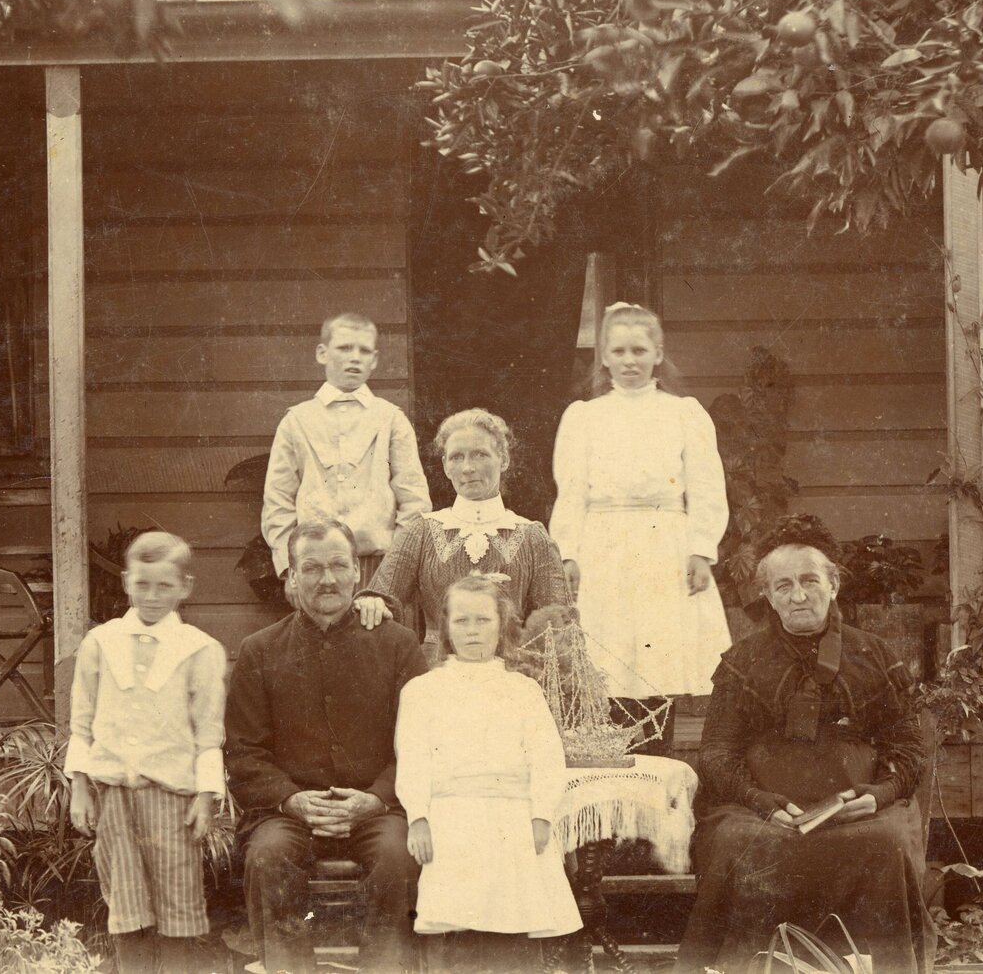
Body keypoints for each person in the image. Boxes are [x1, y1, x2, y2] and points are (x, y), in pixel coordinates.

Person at [676, 515, 935, 974]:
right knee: (737, 842)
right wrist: (761, 802)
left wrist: (879, 796)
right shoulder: (742, 661)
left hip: (858, 812)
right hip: (762, 812)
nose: (798, 596)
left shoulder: (875, 654)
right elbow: (717, 753)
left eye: (810, 581)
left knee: (887, 841)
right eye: (784, 586)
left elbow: (911, 749)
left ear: (833, 584)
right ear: (768, 596)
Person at [226, 519, 427, 974]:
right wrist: (290, 800)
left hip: (379, 808)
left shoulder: (398, 645)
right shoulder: (260, 650)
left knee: (398, 856)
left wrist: (377, 798)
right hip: (289, 812)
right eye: (312, 568)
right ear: (292, 577)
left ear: (357, 571)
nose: (327, 579)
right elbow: (243, 751)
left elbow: (422, 744)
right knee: (267, 855)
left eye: (338, 565)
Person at [550, 301, 731, 750]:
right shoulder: (584, 417)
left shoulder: (683, 413)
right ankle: (615, 763)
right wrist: (568, 553)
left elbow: (706, 486)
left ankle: (659, 760)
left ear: (658, 353)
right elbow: (570, 491)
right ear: (604, 357)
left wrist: (701, 549)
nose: (629, 361)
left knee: (658, 657)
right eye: (619, 351)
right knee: (608, 656)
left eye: (639, 350)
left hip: (663, 542)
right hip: (603, 544)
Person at [396, 574, 583, 973]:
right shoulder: (422, 691)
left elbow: (546, 758)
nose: (473, 631)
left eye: (483, 620)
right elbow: (412, 759)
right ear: (446, 627)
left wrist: (541, 815)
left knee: (513, 924)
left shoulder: (522, 690)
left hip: (512, 817)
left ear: (502, 625)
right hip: (450, 816)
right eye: (461, 621)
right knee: (457, 925)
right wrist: (419, 818)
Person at [66, 531, 226, 974]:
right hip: (115, 797)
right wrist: (79, 787)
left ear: (185, 587)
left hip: (173, 800)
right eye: (142, 584)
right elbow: (81, 721)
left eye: (164, 586)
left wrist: (206, 797)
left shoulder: (200, 649)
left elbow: (209, 732)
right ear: (126, 581)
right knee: (126, 904)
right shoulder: (100, 643)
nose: (152, 597)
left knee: (178, 906)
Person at [355, 408, 572, 663]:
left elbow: (558, 624)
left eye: (480, 454)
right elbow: (382, 597)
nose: (467, 468)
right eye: (456, 457)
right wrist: (373, 603)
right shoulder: (421, 531)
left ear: (503, 459)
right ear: (445, 466)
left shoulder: (533, 537)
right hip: (436, 672)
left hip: (510, 674)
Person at [262, 312, 431, 586]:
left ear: (374, 360)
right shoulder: (296, 421)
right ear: (322, 353)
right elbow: (277, 500)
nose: (355, 358)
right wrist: (288, 568)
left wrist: (395, 568)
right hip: (312, 566)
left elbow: (414, 499)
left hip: (378, 565)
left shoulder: (390, 419)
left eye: (364, 351)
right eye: (344, 348)